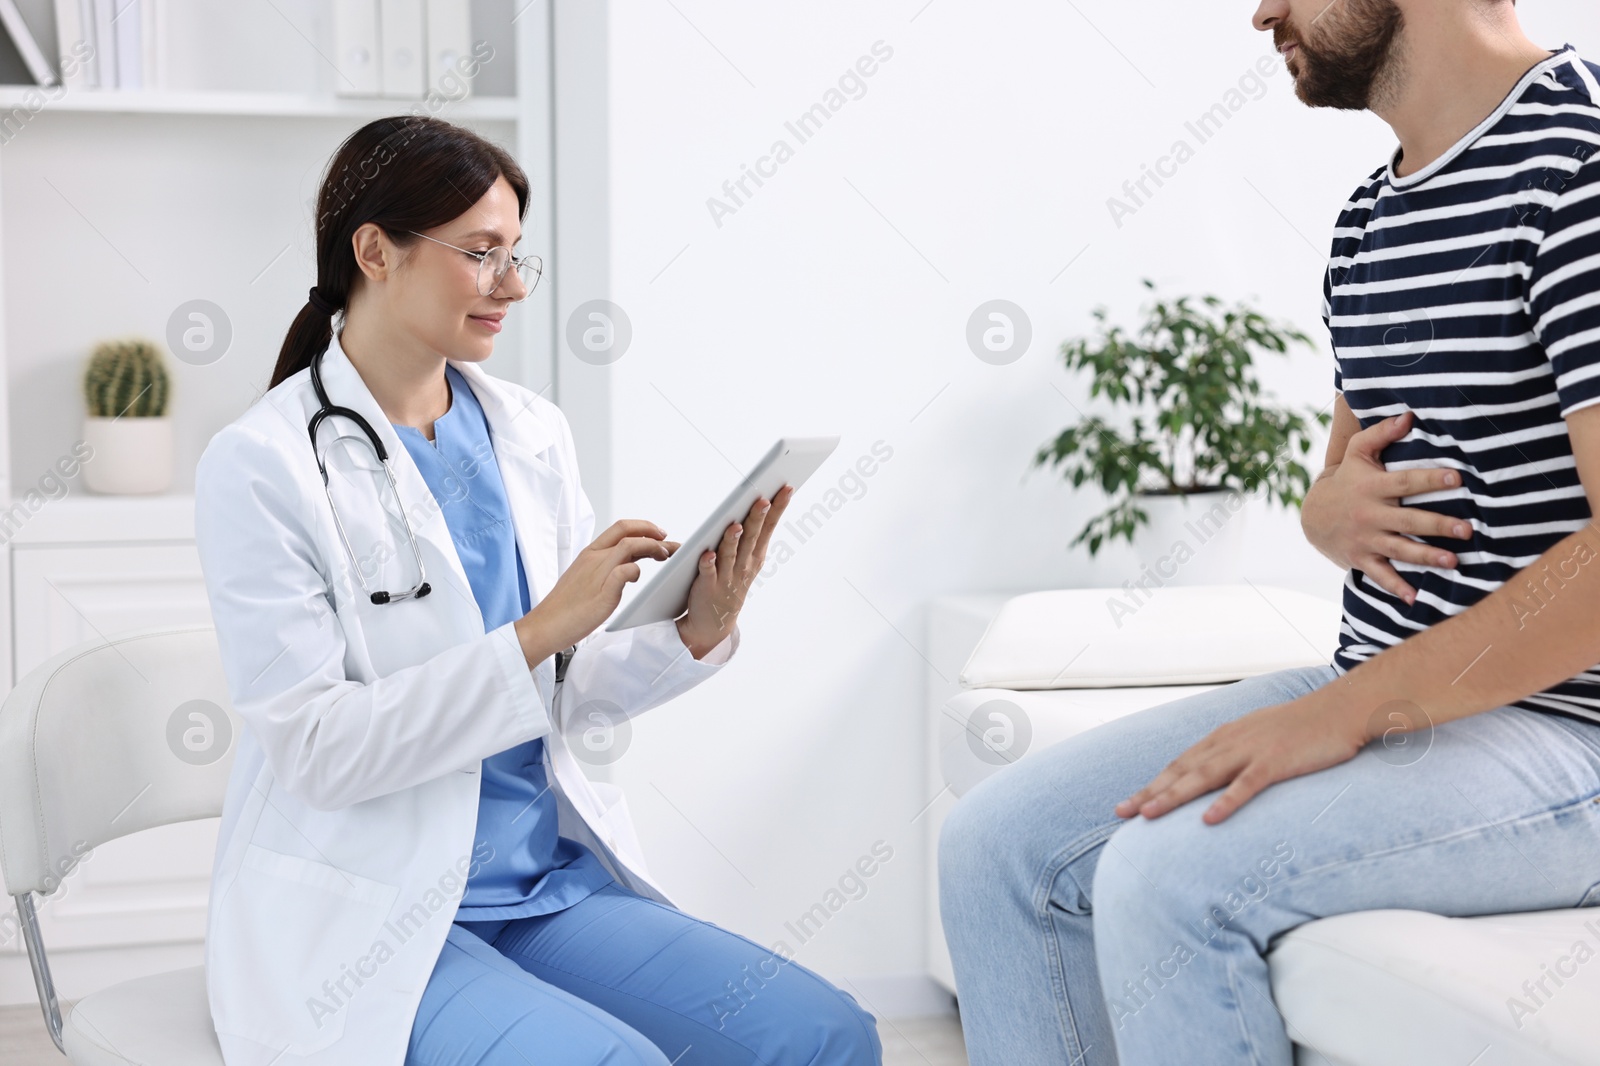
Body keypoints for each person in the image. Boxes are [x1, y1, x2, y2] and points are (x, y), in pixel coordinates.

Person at [938, 2, 1600, 1063]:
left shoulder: (1577, 168)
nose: (1262, 12)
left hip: (1572, 736)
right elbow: (1342, 482)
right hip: (1390, 688)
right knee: (997, 845)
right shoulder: (1369, 221)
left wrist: (1347, 710)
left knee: (1169, 876)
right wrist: (1318, 511)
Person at [193, 115, 882, 1066]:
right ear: (374, 252)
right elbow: (318, 752)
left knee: (823, 1033)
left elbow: (561, 694)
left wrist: (694, 629)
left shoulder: (529, 433)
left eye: (518, 257)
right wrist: (535, 632)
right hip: (378, 915)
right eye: (481, 255)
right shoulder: (262, 465)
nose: (511, 287)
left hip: (544, 886)